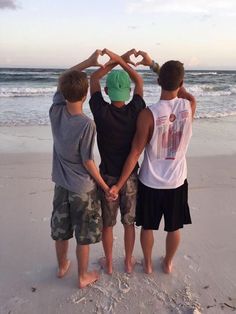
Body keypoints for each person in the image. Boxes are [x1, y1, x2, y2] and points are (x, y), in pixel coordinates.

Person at [110, 58, 196, 274]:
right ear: (181, 82)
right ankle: (167, 263)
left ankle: (147, 264)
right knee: (174, 227)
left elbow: (135, 152)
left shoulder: (148, 114)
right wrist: (153, 63)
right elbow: (181, 89)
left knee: (148, 226)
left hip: (151, 181)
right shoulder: (189, 105)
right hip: (177, 179)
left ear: (158, 82)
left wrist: (119, 184)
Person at [49, 50, 110, 289]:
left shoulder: (56, 111)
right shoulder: (87, 124)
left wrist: (88, 62)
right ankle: (83, 275)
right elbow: (88, 162)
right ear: (86, 95)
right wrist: (104, 186)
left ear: (63, 93)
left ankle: (63, 265)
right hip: (82, 189)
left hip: (61, 185)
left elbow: (64, 78)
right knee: (83, 234)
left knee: (61, 229)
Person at [89, 48, 147, 274]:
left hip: (107, 177)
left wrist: (114, 59)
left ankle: (110, 263)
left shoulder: (100, 111)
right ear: (129, 91)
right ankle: (129, 261)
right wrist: (121, 59)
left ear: (106, 90)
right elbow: (139, 79)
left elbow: (93, 77)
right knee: (129, 222)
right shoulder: (136, 109)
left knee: (108, 224)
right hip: (129, 177)